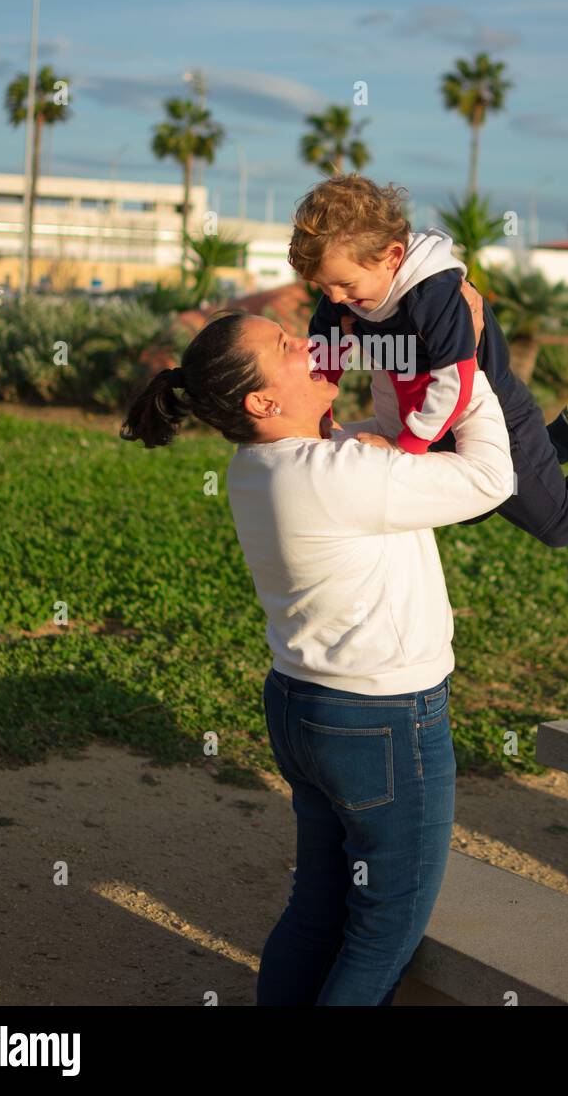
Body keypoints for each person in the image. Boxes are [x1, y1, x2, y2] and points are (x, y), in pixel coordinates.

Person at [120, 283, 509, 1005]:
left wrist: (413, 360)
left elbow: (392, 438)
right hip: (383, 721)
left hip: (306, 711)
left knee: (320, 906)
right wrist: (466, 360)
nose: (309, 342)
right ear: (262, 404)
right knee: (384, 925)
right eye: (286, 347)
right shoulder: (338, 473)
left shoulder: (264, 467)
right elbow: (490, 476)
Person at [288, 172, 568, 547]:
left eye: (344, 285)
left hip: (491, 410)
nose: (335, 298)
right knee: (466, 506)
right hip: (433, 416)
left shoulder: (433, 294)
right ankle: (563, 439)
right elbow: (324, 356)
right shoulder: (345, 294)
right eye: (323, 288)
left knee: (561, 523)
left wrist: (407, 446)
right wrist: (318, 418)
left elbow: (454, 381)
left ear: (393, 257)